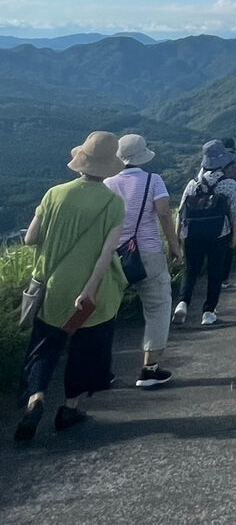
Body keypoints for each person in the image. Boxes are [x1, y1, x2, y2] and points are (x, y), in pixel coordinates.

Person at [14, 131, 126, 443]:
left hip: (54, 287)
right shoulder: (113, 203)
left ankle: (35, 399)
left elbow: (30, 238)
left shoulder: (54, 194)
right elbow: (107, 253)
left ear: (81, 163)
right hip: (92, 295)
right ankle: (69, 408)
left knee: (45, 347)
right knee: (84, 350)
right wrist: (89, 288)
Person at [105, 133, 182, 388]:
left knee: (106, 313)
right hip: (147, 252)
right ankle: (149, 369)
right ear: (143, 156)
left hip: (114, 255)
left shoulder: (107, 183)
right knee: (158, 306)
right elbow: (163, 213)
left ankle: (101, 370)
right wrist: (174, 246)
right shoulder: (153, 180)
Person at [174, 140, 236, 328]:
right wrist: (235, 235)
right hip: (218, 234)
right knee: (215, 273)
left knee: (190, 270)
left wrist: (177, 238)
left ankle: (182, 303)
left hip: (192, 235)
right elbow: (235, 213)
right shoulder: (228, 184)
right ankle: (208, 312)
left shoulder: (192, 184)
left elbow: (180, 213)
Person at [218, 137, 236, 287]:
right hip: (228, 214)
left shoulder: (205, 168)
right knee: (228, 246)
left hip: (207, 213)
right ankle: (223, 279)